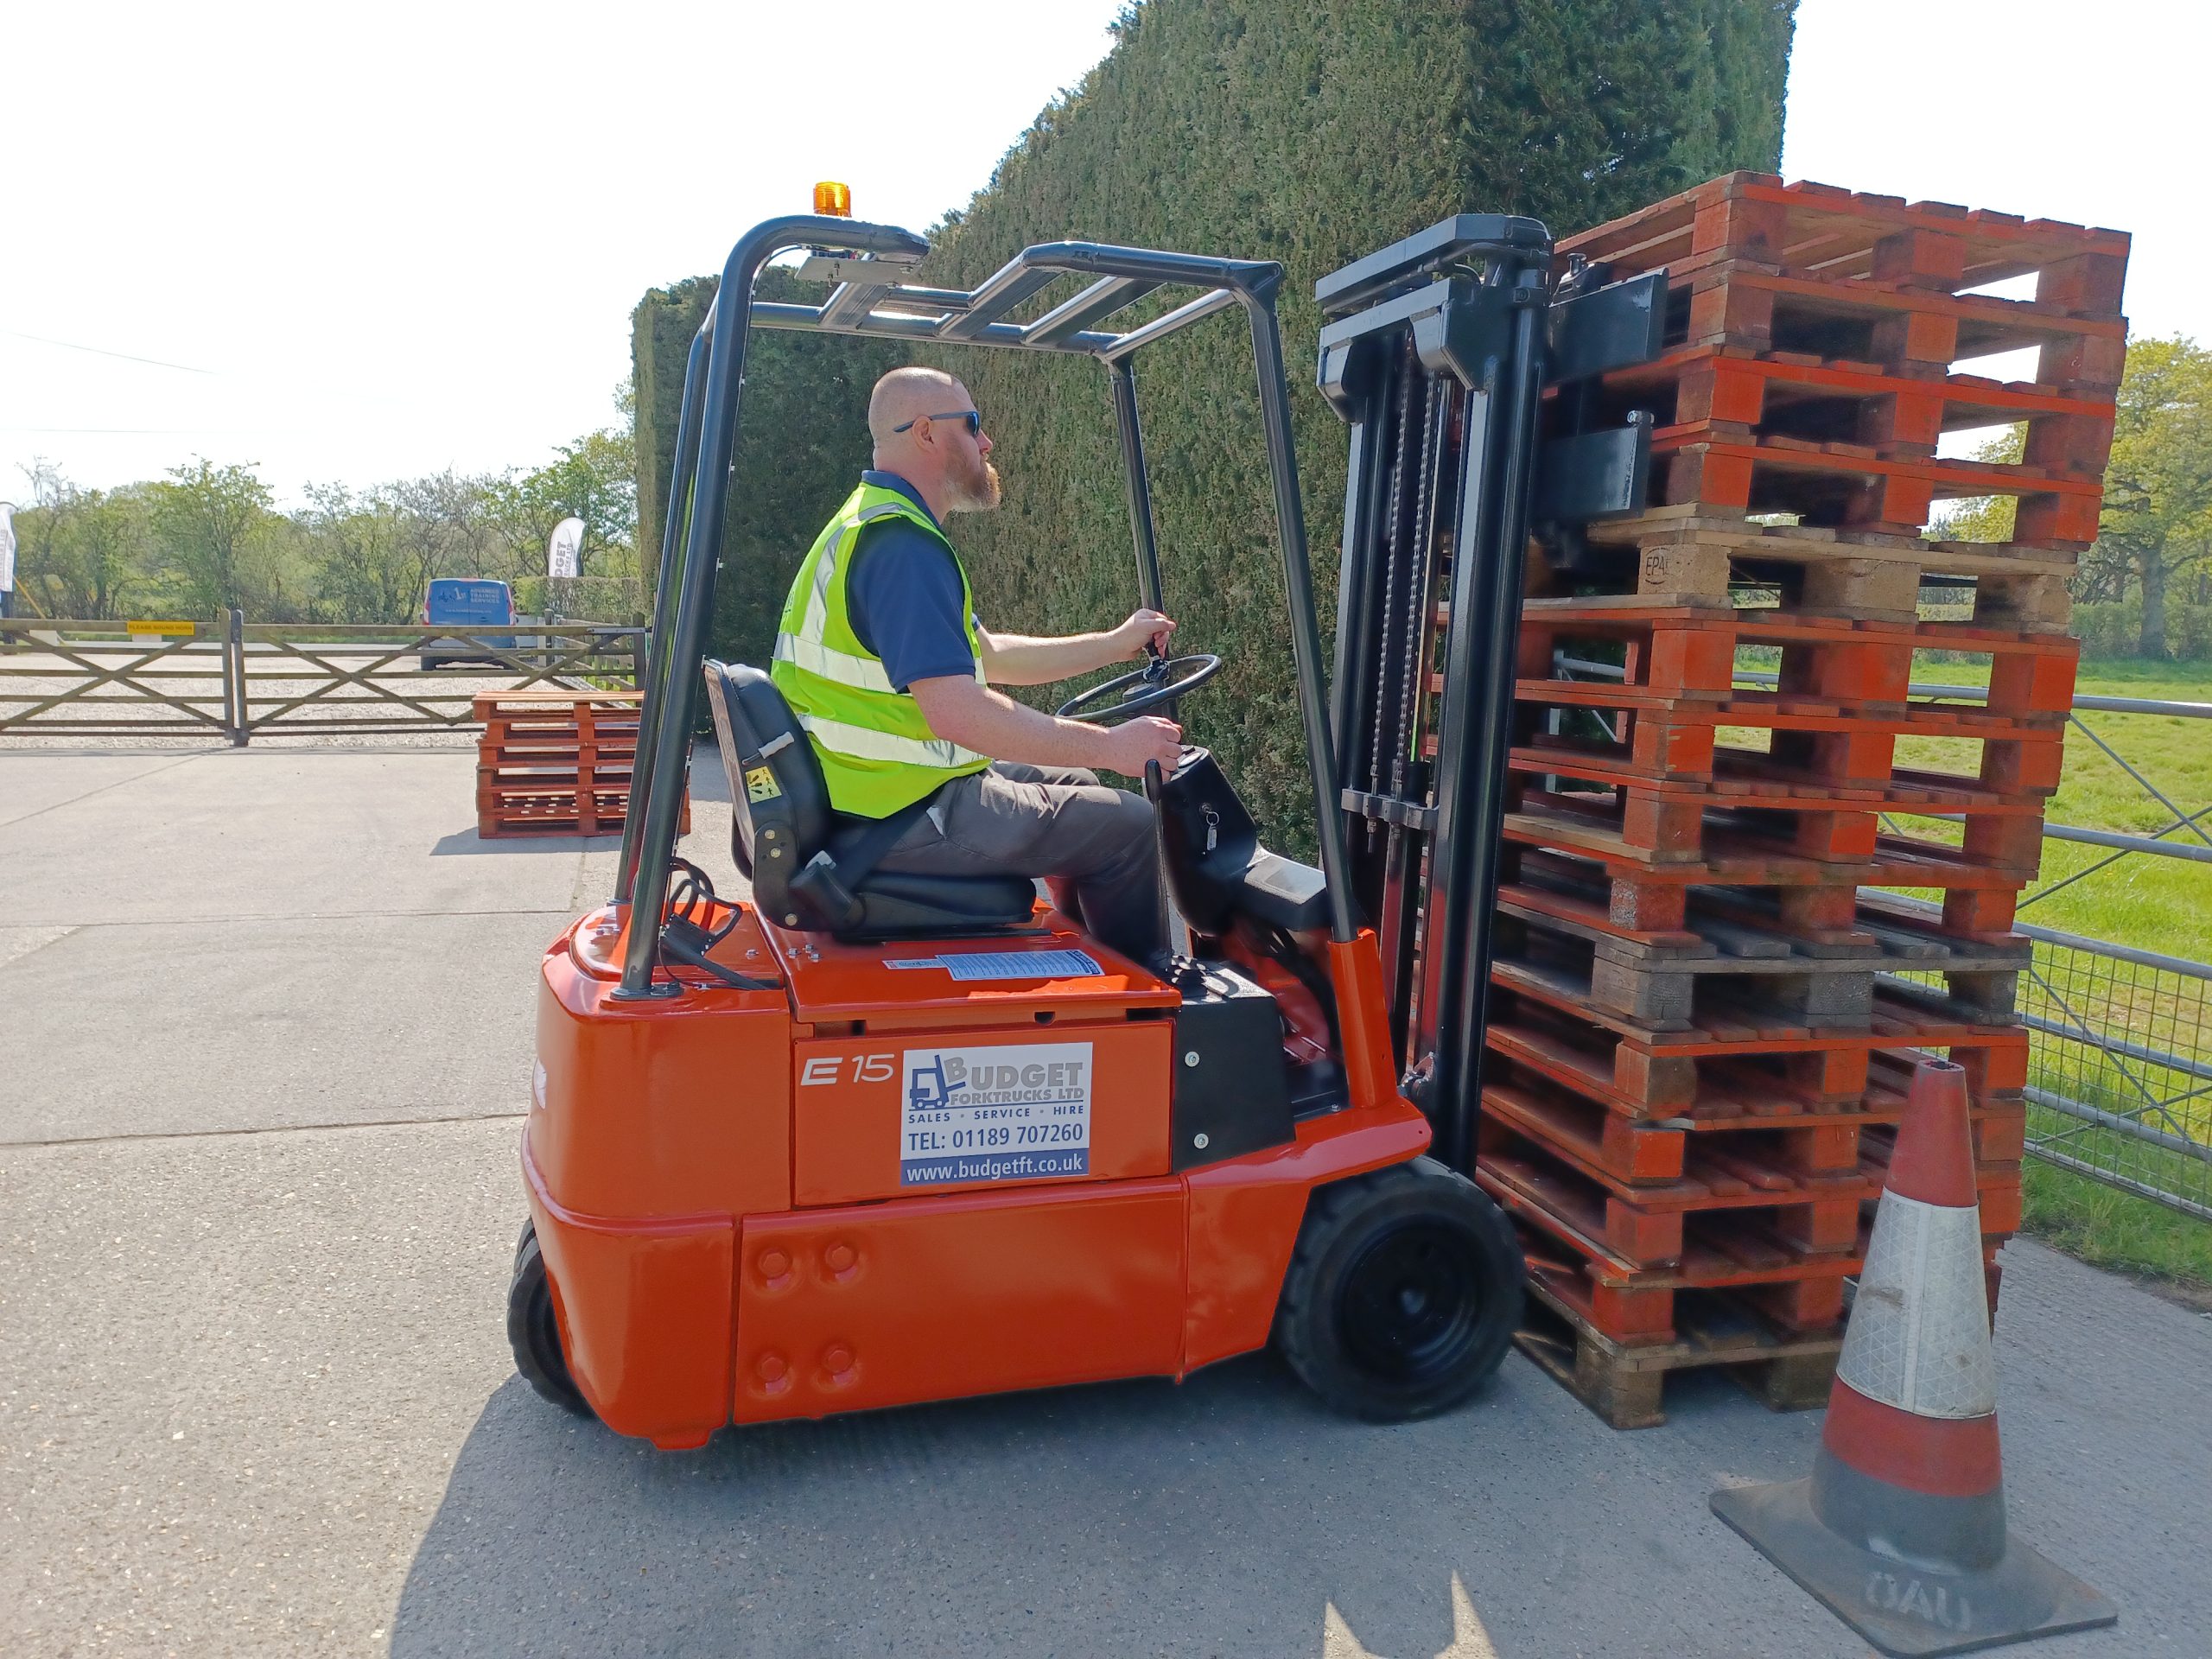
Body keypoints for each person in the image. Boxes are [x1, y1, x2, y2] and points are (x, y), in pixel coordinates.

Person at [769, 365, 1185, 963]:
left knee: (1083, 788)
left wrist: (1114, 643)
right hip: (897, 814)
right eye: (973, 424)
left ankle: (1085, 963)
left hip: (875, 795)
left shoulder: (877, 524)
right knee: (1128, 824)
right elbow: (957, 713)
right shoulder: (901, 549)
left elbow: (987, 658)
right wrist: (1114, 745)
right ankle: (1155, 1008)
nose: (986, 442)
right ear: (926, 433)